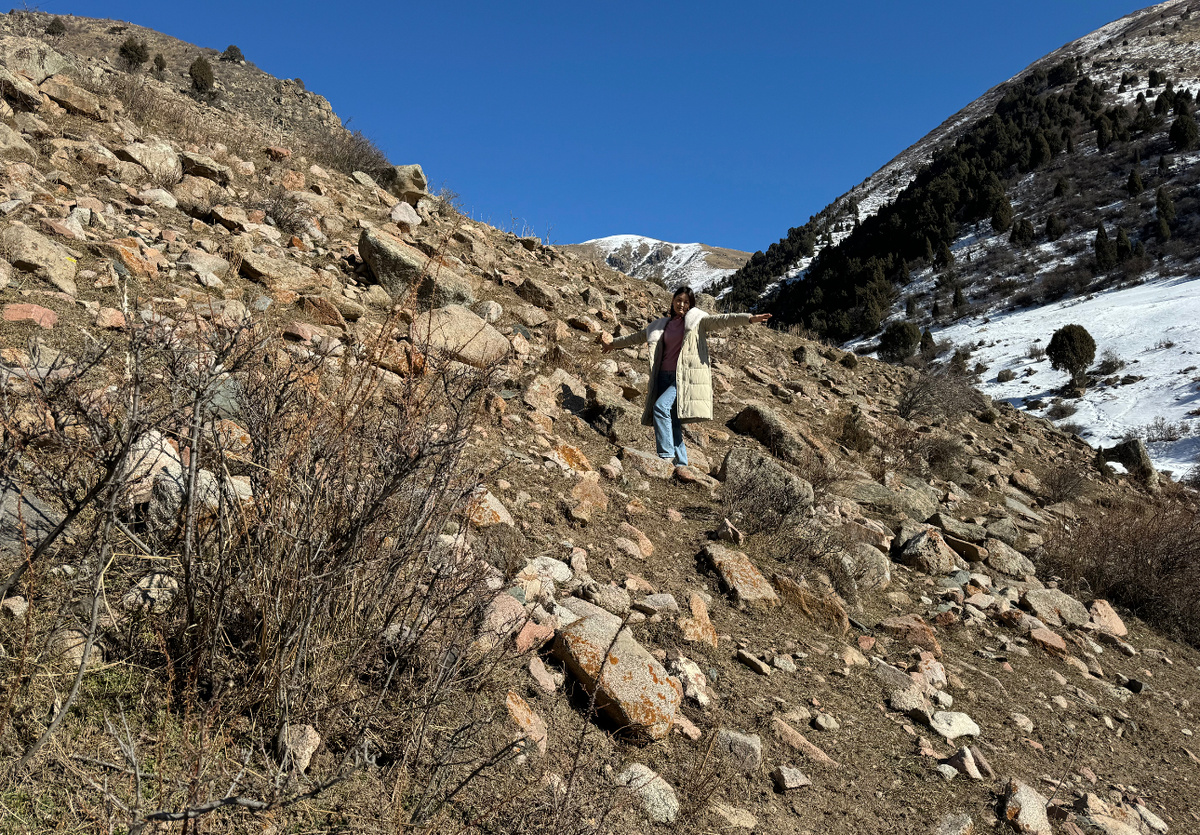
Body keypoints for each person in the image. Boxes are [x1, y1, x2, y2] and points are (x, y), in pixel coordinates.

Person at [600, 286, 771, 476]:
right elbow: (637, 337)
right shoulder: (660, 325)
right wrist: (612, 344)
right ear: (673, 301)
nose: (681, 304)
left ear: (691, 305)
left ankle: (665, 455)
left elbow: (723, 320)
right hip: (662, 377)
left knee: (660, 408)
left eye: (686, 302)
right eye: (679, 300)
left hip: (681, 378)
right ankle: (681, 463)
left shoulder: (698, 321)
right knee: (672, 420)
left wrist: (749, 318)